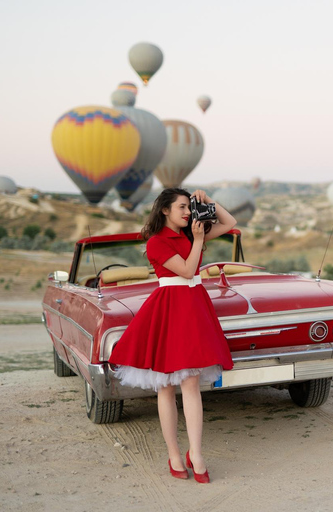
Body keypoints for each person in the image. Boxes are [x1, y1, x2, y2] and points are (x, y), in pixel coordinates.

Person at [108, 188, 237, 483]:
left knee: (191, 382)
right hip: (169, 309)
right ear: (164, 210)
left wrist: (207, 202)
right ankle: (174, 454)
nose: (187, 213)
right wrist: (200, 239)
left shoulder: (191, 234)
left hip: (193, 309)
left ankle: (197, 453)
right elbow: (189, 269)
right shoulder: (156, 242)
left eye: (189, 207)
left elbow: (229, 223)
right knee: (165, 384)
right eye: (181, 207)